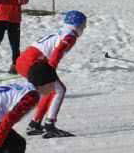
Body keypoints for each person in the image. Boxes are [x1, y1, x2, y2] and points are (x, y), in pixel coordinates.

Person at [15, 10, 87, 138]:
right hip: (34, 63)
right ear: (78, 25)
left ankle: (35, 124)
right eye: (83, 25)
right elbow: (58, 52)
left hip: (25, 61)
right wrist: (51, 69)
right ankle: (49, 125)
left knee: (50, 91)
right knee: (60, 90)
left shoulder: (62, 32)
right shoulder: (70, 36)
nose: (84, 28)